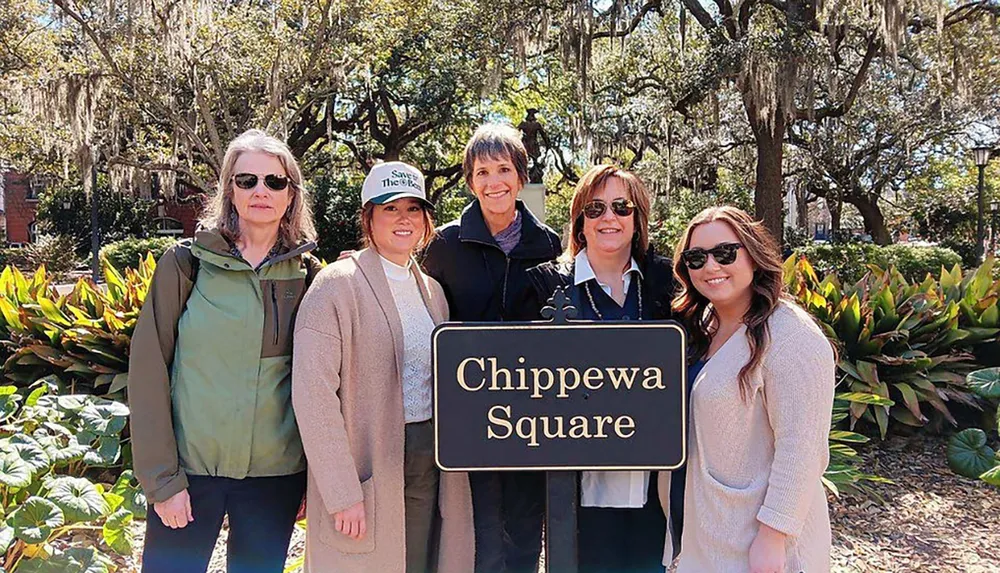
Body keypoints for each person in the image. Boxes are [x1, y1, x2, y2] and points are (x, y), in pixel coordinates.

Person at [128, 129, 320, 573]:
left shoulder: (309, 275)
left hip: (275, 477)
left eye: (275, 182)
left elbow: (323, 381)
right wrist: (162, 480)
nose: (260, 191)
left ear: (291, 194)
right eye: (247, 179)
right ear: (229, 189)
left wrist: (316, 477)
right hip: (191, 474)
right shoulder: (186, 263)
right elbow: (148, 371)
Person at [291, 162, 474, 573]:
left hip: (428, 456)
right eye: (390, 208)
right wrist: (341, 491)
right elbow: (312, 396)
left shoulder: (433, 291)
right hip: (370, 461)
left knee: (418, 561)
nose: (403, 219)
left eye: (413, 208)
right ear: (368, 218)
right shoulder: (336, 286)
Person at [422, 123, 562, 573]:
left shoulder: (550, 245)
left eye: (503, 169)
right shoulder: (444, 244)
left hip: (531, 415)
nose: (493, 182)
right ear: (469, 181)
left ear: (521, 177)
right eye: (482, 172)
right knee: (476, 533)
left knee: (524, 531)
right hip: (467, 417)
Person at [667, 206, 835, 572]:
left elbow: (801, 447)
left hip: (760, 544)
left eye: (725, 253)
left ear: (754, 256)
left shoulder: (791, 336)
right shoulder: (703, 327)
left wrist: (773, 535)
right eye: (696, 257)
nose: (711, 266)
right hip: (708, 532)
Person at [524, 164, 674, 573]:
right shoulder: (543, 286)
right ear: (579, 221)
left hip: (654, 471)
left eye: (621, 207)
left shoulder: (667, 284)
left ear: (638, 219)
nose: (609, 217)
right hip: (575, 474)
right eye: (596, 208)